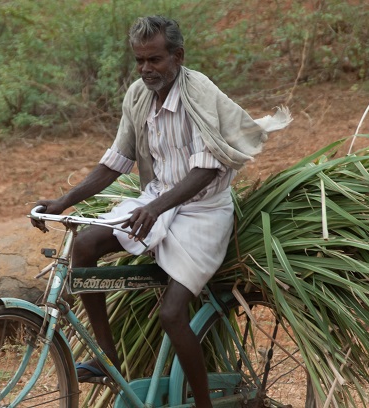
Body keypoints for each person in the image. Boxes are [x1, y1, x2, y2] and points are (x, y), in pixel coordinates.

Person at [32, 15, 290, 408]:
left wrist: (155, 208)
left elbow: (206, 169)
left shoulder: (198, 92)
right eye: (139, 61)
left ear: (177, 56)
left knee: (171, 313)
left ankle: (202, 403)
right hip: (155, 198)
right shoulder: (138, 96)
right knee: (85, 246)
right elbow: (115, 162)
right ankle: (107, 357)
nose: (145, 69)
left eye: (154, 60)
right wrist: (63, 201)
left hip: (203, 211)